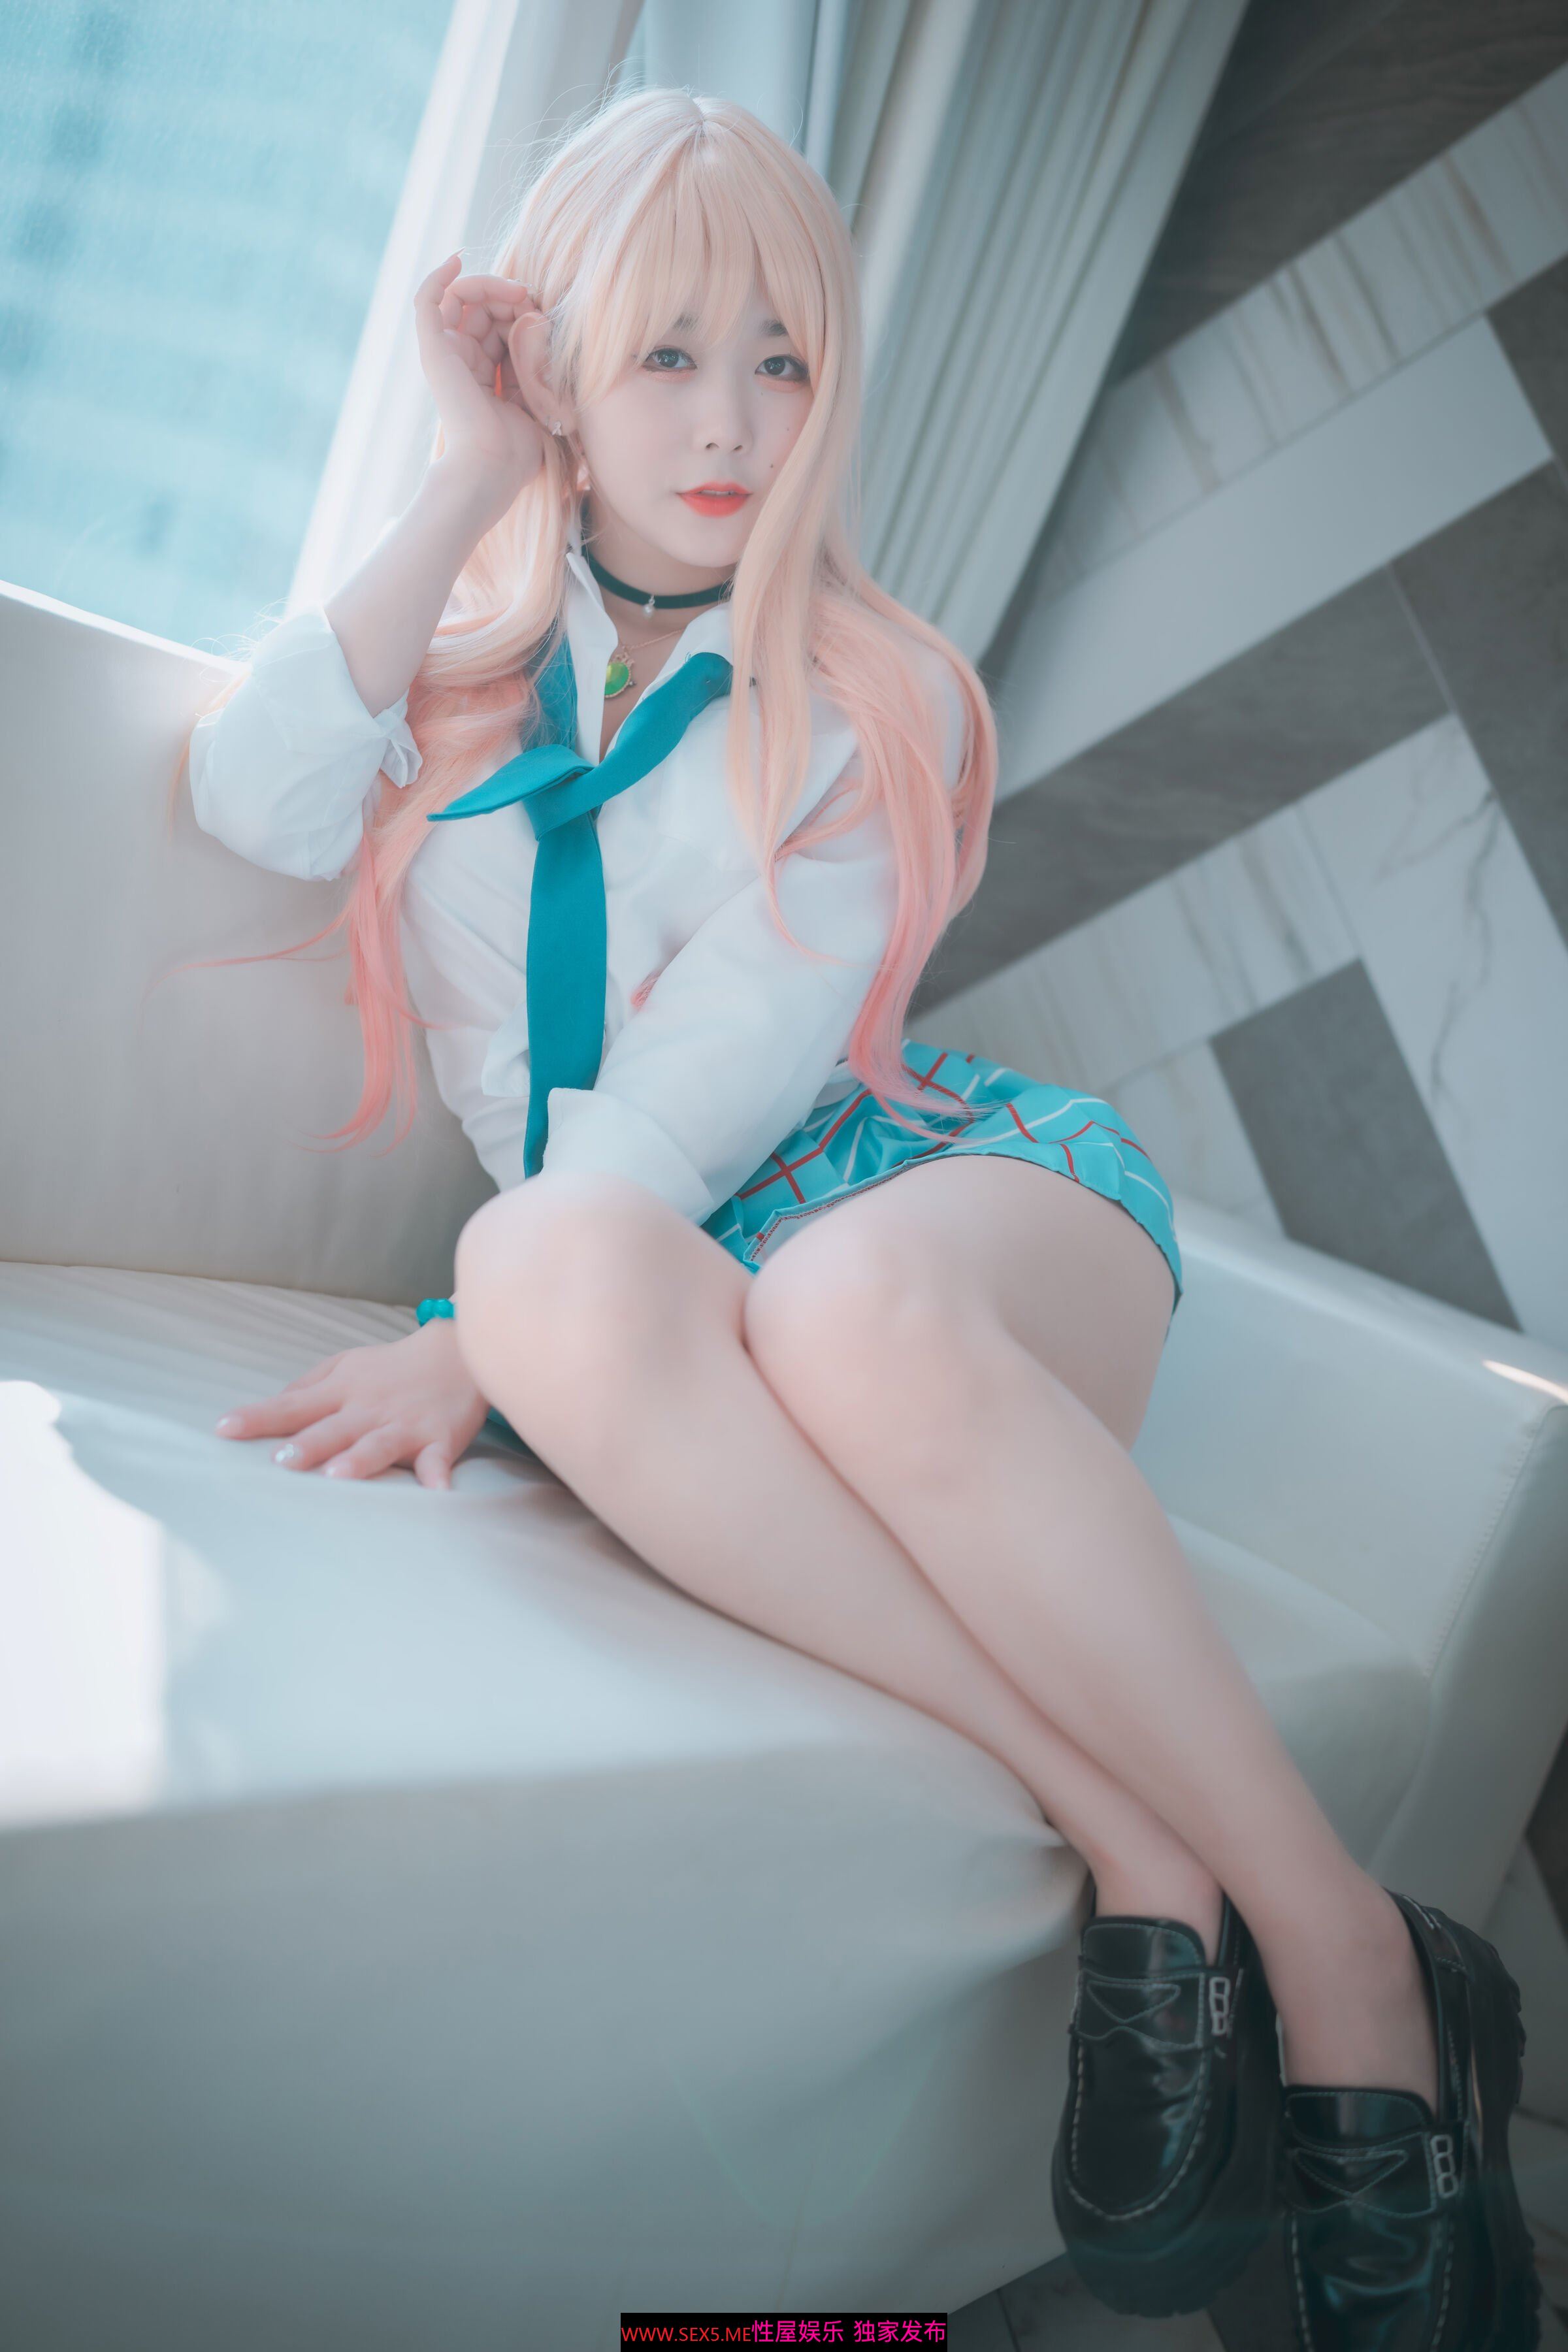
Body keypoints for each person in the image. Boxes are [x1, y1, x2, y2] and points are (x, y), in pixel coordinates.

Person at [182, 86, 1540, 2351]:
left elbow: (698, 1102)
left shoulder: (873, 701)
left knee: (769, 1299)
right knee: (547, 1260)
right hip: (675, 1263)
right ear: (555, 365)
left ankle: (1343, 1960)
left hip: (949, 1209)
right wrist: (466, 475)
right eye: (664, 356)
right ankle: (1152, 1854)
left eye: (784, 358)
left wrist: (480, 1340)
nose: (730, 424)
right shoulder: (446, 679)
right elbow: (250, 797)